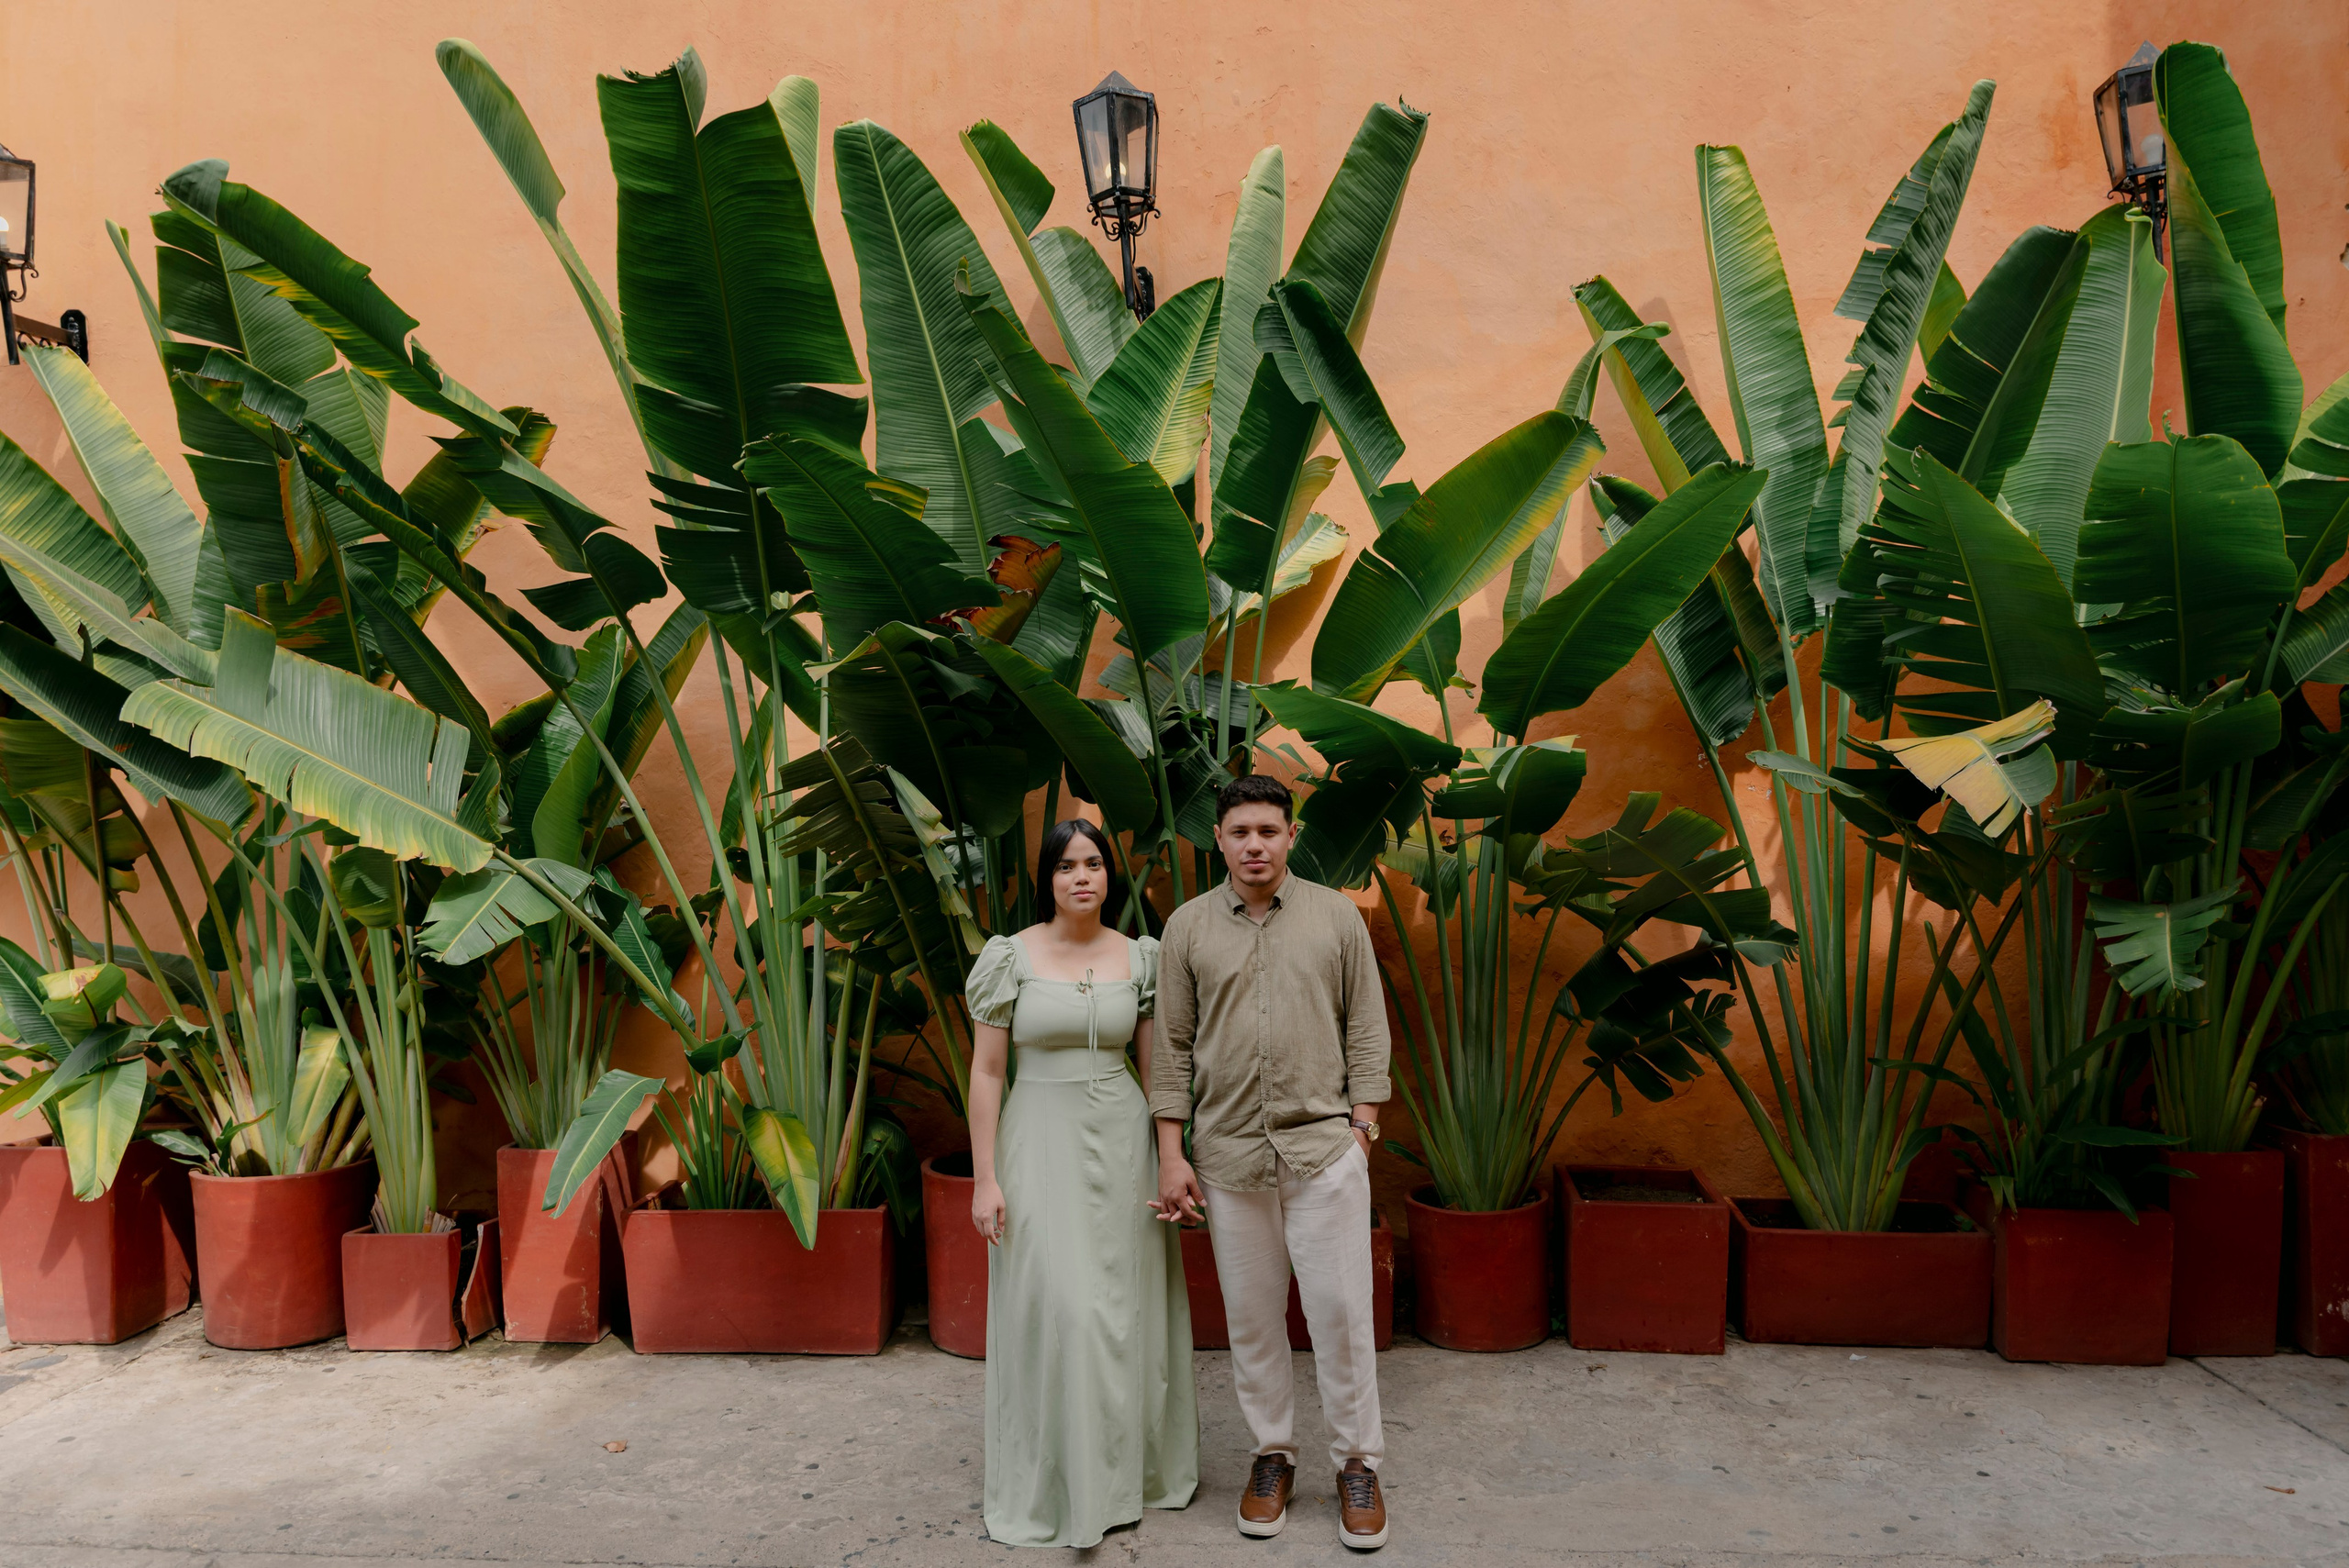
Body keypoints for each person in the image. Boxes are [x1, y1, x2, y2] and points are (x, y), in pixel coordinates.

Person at [1150, 773, 1394, 1551]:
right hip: (1228, 1156)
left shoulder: (1336, 917)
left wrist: (1362, 1130)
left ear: (1291, 835)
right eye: (1239, 832)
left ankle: (1358, 1464)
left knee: (1342, 1316)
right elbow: (1170, 1047)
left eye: (1268, 830)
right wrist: (1172, 1153)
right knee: (1253, 1320)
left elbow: (1367, 1026)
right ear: (1218, 839)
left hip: (1324, 1151)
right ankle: (1272, 1455)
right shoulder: (1187, 928)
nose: (1254, 844)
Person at [966, 817, 1198, 1549]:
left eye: (1093, 863)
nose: (1081, 876)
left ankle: (1127, 1475)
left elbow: (1158, 1069)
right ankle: (1063, 1484)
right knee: (1060, 1306)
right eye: (1066, 865)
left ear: (1109, 874)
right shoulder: (1010, 956)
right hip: (1037, 1138)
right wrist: (984, 1177)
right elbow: (987, 1072)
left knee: (1121, 1310)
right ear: (1048, 878)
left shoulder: (1140, 956)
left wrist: (1171, 1156)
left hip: (1124, 1142)